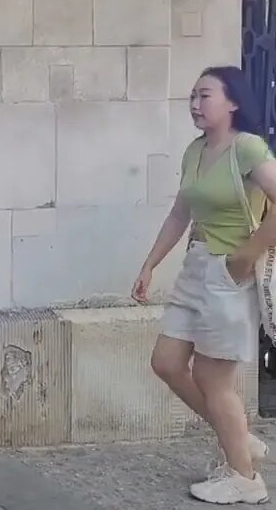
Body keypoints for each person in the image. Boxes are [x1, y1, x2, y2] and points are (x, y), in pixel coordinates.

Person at [132, 65, 276, 504]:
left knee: (214, 379)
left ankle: (245, 479)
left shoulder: (247, 148)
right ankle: (239, 440)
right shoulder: (195, 151)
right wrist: (150, 264)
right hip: (196, 268)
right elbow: (180, 214)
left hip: (228, 274)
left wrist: (247, 254)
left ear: (232, 102)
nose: (195, 104)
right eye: (192, 97)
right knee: (166, 362)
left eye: (205, 96)